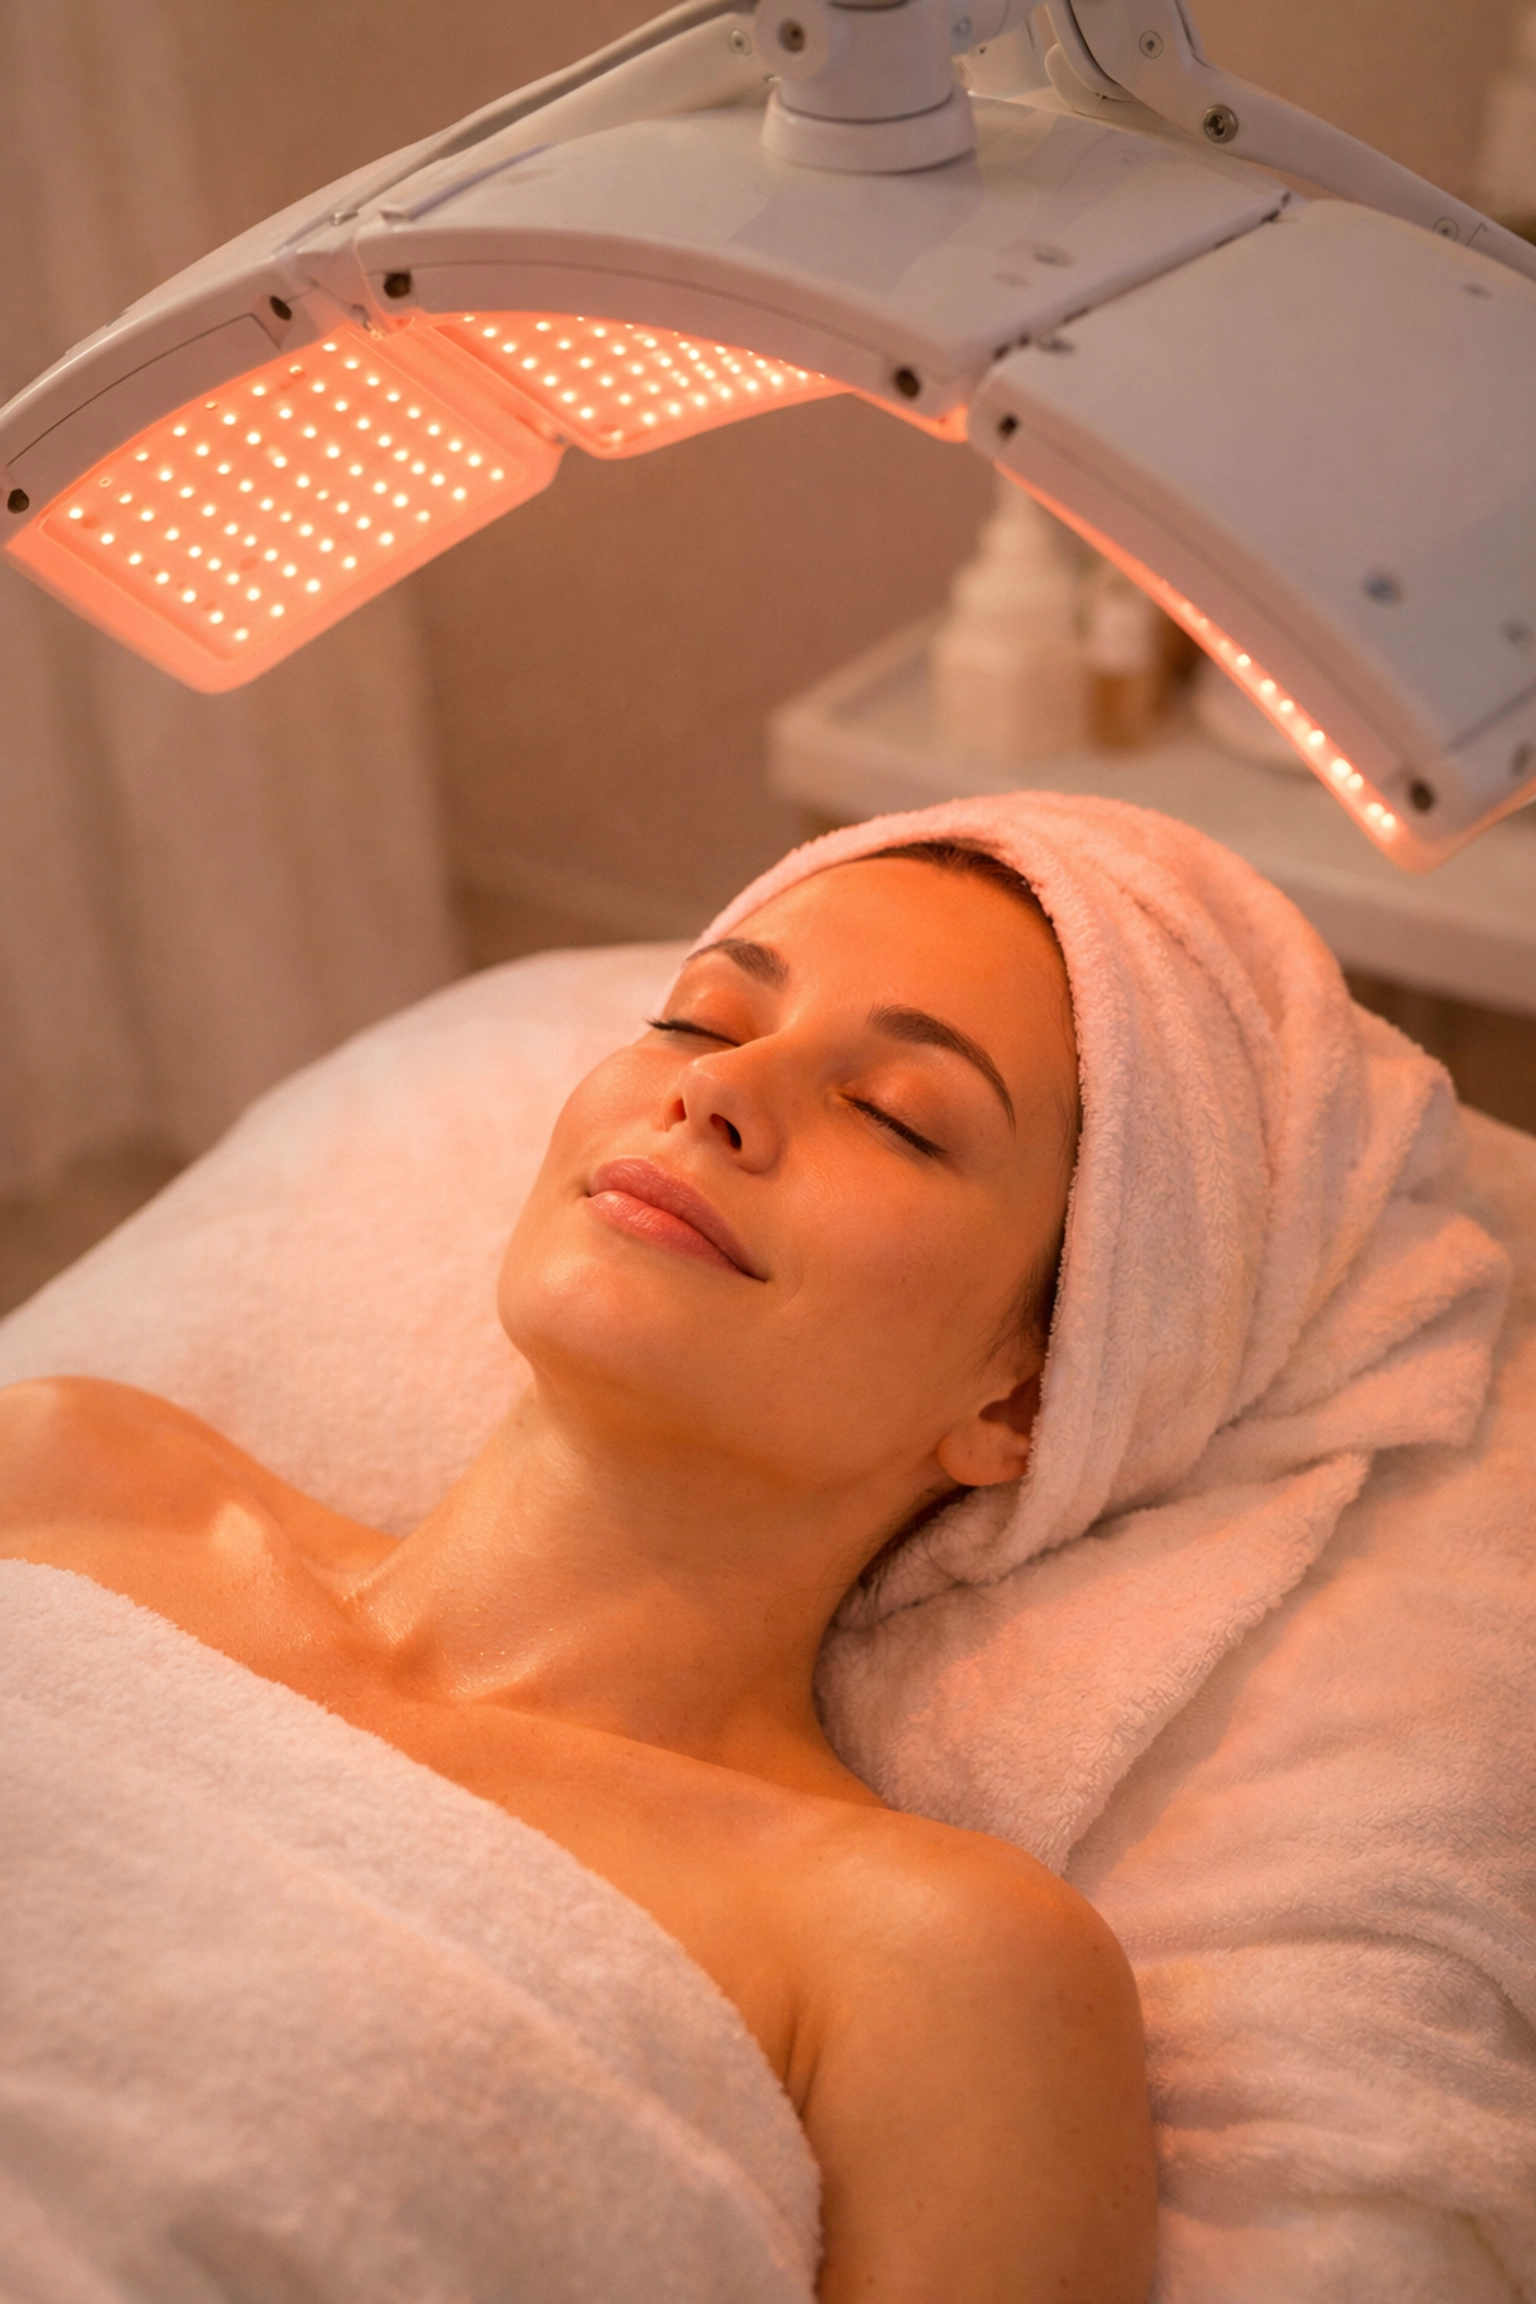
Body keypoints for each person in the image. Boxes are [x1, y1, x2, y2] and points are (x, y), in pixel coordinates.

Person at [0, 838, 1157, 2304]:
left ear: (1019, 1401)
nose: (719, 1090)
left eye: (896, 1115)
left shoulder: (928, 1960)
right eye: (702, 1021)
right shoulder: (67, 1472)